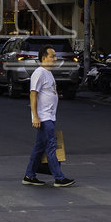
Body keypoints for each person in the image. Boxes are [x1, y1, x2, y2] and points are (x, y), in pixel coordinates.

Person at [22, 45, 74, 187]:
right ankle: (59, 177)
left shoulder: (48, 73)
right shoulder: (39, 73)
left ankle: (29, 175)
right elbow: (33, 95)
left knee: (39, 148)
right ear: (44, 58)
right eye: (53, 56)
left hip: (49, 116)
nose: (55, 59)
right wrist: (35, 117)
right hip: (44, 118)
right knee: (51, 146)